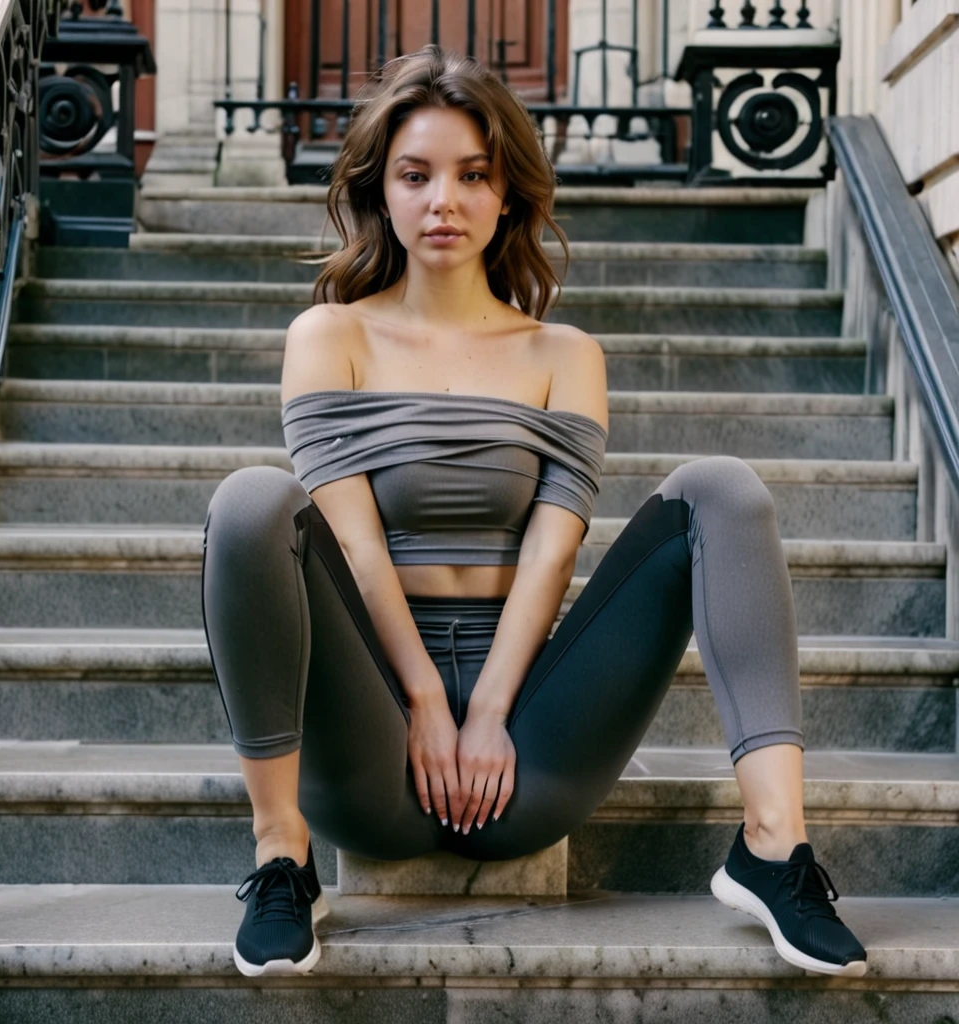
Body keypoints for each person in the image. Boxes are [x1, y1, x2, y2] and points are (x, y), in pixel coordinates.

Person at [200, 43, 867, 981]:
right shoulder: (331, 335)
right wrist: (428, 703)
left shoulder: (564, 353)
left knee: (722, 489)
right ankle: (280, 853)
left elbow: (555, 556)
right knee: (250, 501)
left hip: (532, 743)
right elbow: (350, 539)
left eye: (473, 175)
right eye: (416, 174)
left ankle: (773, 848)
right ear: (378, 190)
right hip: (371, 742)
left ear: (507, 191)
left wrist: (490, 714)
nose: (444, 201)